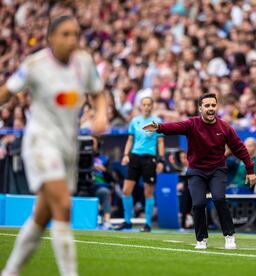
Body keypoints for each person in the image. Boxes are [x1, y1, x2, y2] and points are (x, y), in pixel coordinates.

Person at [0, 15, 107, 276]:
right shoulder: (35, 64)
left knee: (41, 216)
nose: (72, 40)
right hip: (40, 142)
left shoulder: (83, 62)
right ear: (50, 38)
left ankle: (10, 271)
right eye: (65, 34)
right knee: (64, 206)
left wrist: (101, 113)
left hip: (66, 146)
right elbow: (7, 92)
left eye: (75, 34)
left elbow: (97, 92)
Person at [143, 93, 256, 250]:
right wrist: (159, 127)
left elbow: (240, 149)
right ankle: (201, 239)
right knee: (198, 204)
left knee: (218, 199)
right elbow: (175, 127)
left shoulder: (225, 127)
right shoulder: (192, 124)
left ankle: (230, 236)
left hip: (217, 170)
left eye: (213, 105)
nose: (211, 108)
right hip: (196, 171)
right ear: (200, 108)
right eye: (207, 106)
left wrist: (250, 170)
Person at [115, 97, 165, 232]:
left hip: (150, 159)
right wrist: (126, 155)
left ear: (152, 106)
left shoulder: (157, 122)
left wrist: (161, 161)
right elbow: (130, 139)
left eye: (149, 104)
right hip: (135, 157)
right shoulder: (134, 121)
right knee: (126, 190)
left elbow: (160, 142)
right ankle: (127, 221)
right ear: (140, 106)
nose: (146, 107)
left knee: (148, 192)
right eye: (144, 104)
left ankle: (148, 224)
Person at [92, 136, 113, 230]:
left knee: (105, 192)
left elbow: (111, 179)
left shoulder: (104, 159)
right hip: (84, 186)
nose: (91, 145)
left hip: (99, 187)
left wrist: (104, 170)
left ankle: (107, 221)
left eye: (93, 143)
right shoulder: (80, 157)